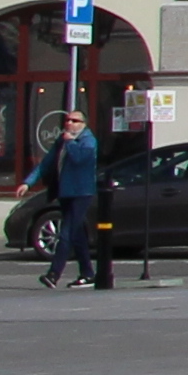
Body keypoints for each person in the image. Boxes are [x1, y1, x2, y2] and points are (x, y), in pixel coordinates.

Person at [30, 111, 109, 290]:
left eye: (74, 120)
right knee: (78, 234)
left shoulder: (88, 141)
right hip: (65, 192)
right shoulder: (63, 141)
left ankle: (54, 274)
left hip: (81, 192)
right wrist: (28, 183)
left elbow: (79, 159)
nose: (69, 123)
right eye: (67, 120)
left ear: (83, 123)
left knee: (66, 233)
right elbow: (46, 163)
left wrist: (70, 142)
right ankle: (87, 273)